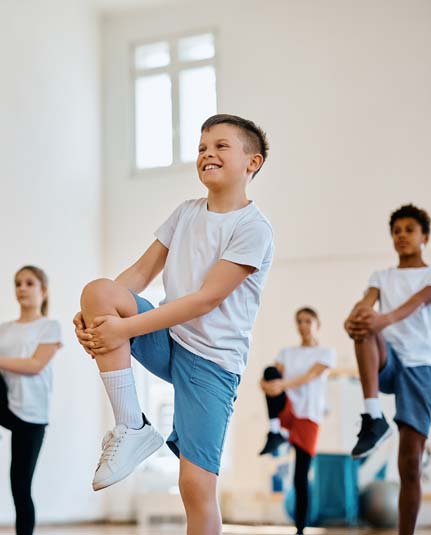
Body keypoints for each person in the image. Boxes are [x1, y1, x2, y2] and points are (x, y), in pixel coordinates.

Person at [74, 114, 274, 534]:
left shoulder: (252, 228)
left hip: (213, 365)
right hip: (169, 339)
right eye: (202, 148)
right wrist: (96, 314)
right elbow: (139, 273)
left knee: (195, 485)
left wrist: (122, 330)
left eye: (221, 146)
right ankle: (131, 425)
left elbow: (205, 300)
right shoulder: (185, 213)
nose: (207, 154)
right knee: (99, 290)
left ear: (251, 162)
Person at [344, 204, 431, 535]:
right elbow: (366, 303)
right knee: (363, 325)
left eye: (409, 230)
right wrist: (354, 316)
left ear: (424, 237)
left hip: (418, 369)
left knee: (410, 465)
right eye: (396, 231)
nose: (402, 235)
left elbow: (415, 303)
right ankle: (373, 416)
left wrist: (383, 318)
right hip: (387, 361)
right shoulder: (381, 277)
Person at [0, 266, 61, 535]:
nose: (22, 288)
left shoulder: (50, 327)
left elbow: (36, 364)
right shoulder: (2, 329)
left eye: (29, 283)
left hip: (33, 416)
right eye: (18, 283)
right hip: (4, 406)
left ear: (43, 290)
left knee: (20, 487)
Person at [259, 307, 336, 534]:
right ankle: (275, 432)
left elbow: (311, 375)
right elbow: (271, 379)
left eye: (308, 321)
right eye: (299, 321)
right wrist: (266, 385)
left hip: (308, 416)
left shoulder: (326, 352)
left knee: (300, 475)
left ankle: (300, 529)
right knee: (270, 371)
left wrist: (280, 385)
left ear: (317, 323)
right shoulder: (286, 352)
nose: (303, 325)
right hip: (288, 409)